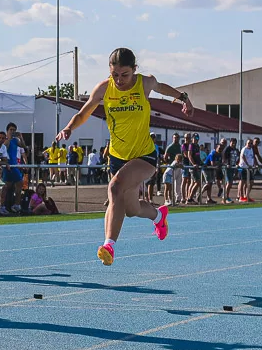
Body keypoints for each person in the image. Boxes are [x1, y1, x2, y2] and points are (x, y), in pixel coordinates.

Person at [56, 48, 193, 266]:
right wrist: (69, 128)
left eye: (124, 75)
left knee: (114, 188)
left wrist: (183, 98)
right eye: (115, 75)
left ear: (134, 70)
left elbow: (162, 88)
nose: (119, 80)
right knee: (131, 209)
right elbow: (83, 112)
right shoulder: (104, 88)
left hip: (144, 155)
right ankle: (159, 216)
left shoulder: (144, 83)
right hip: (118, 157)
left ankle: (108, 245)